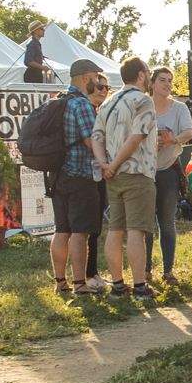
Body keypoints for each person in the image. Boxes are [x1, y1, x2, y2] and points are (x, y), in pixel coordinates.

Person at [94, 56, 160, 299]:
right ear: (141, 75)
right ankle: (140, 286)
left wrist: (105, 164)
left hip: (113, 176)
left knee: (115, 229)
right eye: (148, 72)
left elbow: (96, 136)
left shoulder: (108, 102)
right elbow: (137, 137)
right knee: (136, 231)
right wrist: (116, 163)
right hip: (137, 172)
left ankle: (118, 285)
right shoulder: (143, 101)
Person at [52, 57, 107, 295]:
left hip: (58, 175)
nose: (97, 82)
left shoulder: (59, 100)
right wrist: (106, 162)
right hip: (81, 175)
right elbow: (90, 140)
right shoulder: (82, 104)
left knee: (61, 230)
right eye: (95, 77)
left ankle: (60, 282)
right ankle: (79, 284)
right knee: (80, 232)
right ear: (86, 78)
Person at [147, 66, 192, 287]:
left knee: (167, 222)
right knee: (144, 224)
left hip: (168, 170)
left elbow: (189, 132)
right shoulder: (143, 106)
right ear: (152, 83)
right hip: (144, 172)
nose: (167, 84)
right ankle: (145, 270)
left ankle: (168, 271)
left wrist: (172, 140)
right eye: (162, 80)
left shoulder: (179, 108)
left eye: (170, 80)